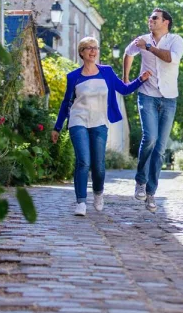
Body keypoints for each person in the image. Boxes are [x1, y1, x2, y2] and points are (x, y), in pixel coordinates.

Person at [52, 37, 151, 217]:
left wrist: (140, 80)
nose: (93, 51)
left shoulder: (106, 72)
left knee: (98, 165)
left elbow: (124, 89)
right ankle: (81, 202)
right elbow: (66, 103)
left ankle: (98, 193)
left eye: (95, 48)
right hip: (78, 120)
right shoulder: (73, 76)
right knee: (83, 161)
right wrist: (57, 127)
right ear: (81, 52)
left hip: (99, 121)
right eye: (88, 48)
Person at [123, 8, 183, 213]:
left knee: (159, 148)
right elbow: (127, 53)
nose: (150, 20)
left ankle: (151, 194)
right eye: (150, 17)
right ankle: (140, 181)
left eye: (154, 18)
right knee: (150, 137)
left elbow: (170, 58)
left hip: (169, 99)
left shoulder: (176, 40)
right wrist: (126, 79)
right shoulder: (141, 40)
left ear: (165, 22)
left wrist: (148, 47)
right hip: (147, 95)